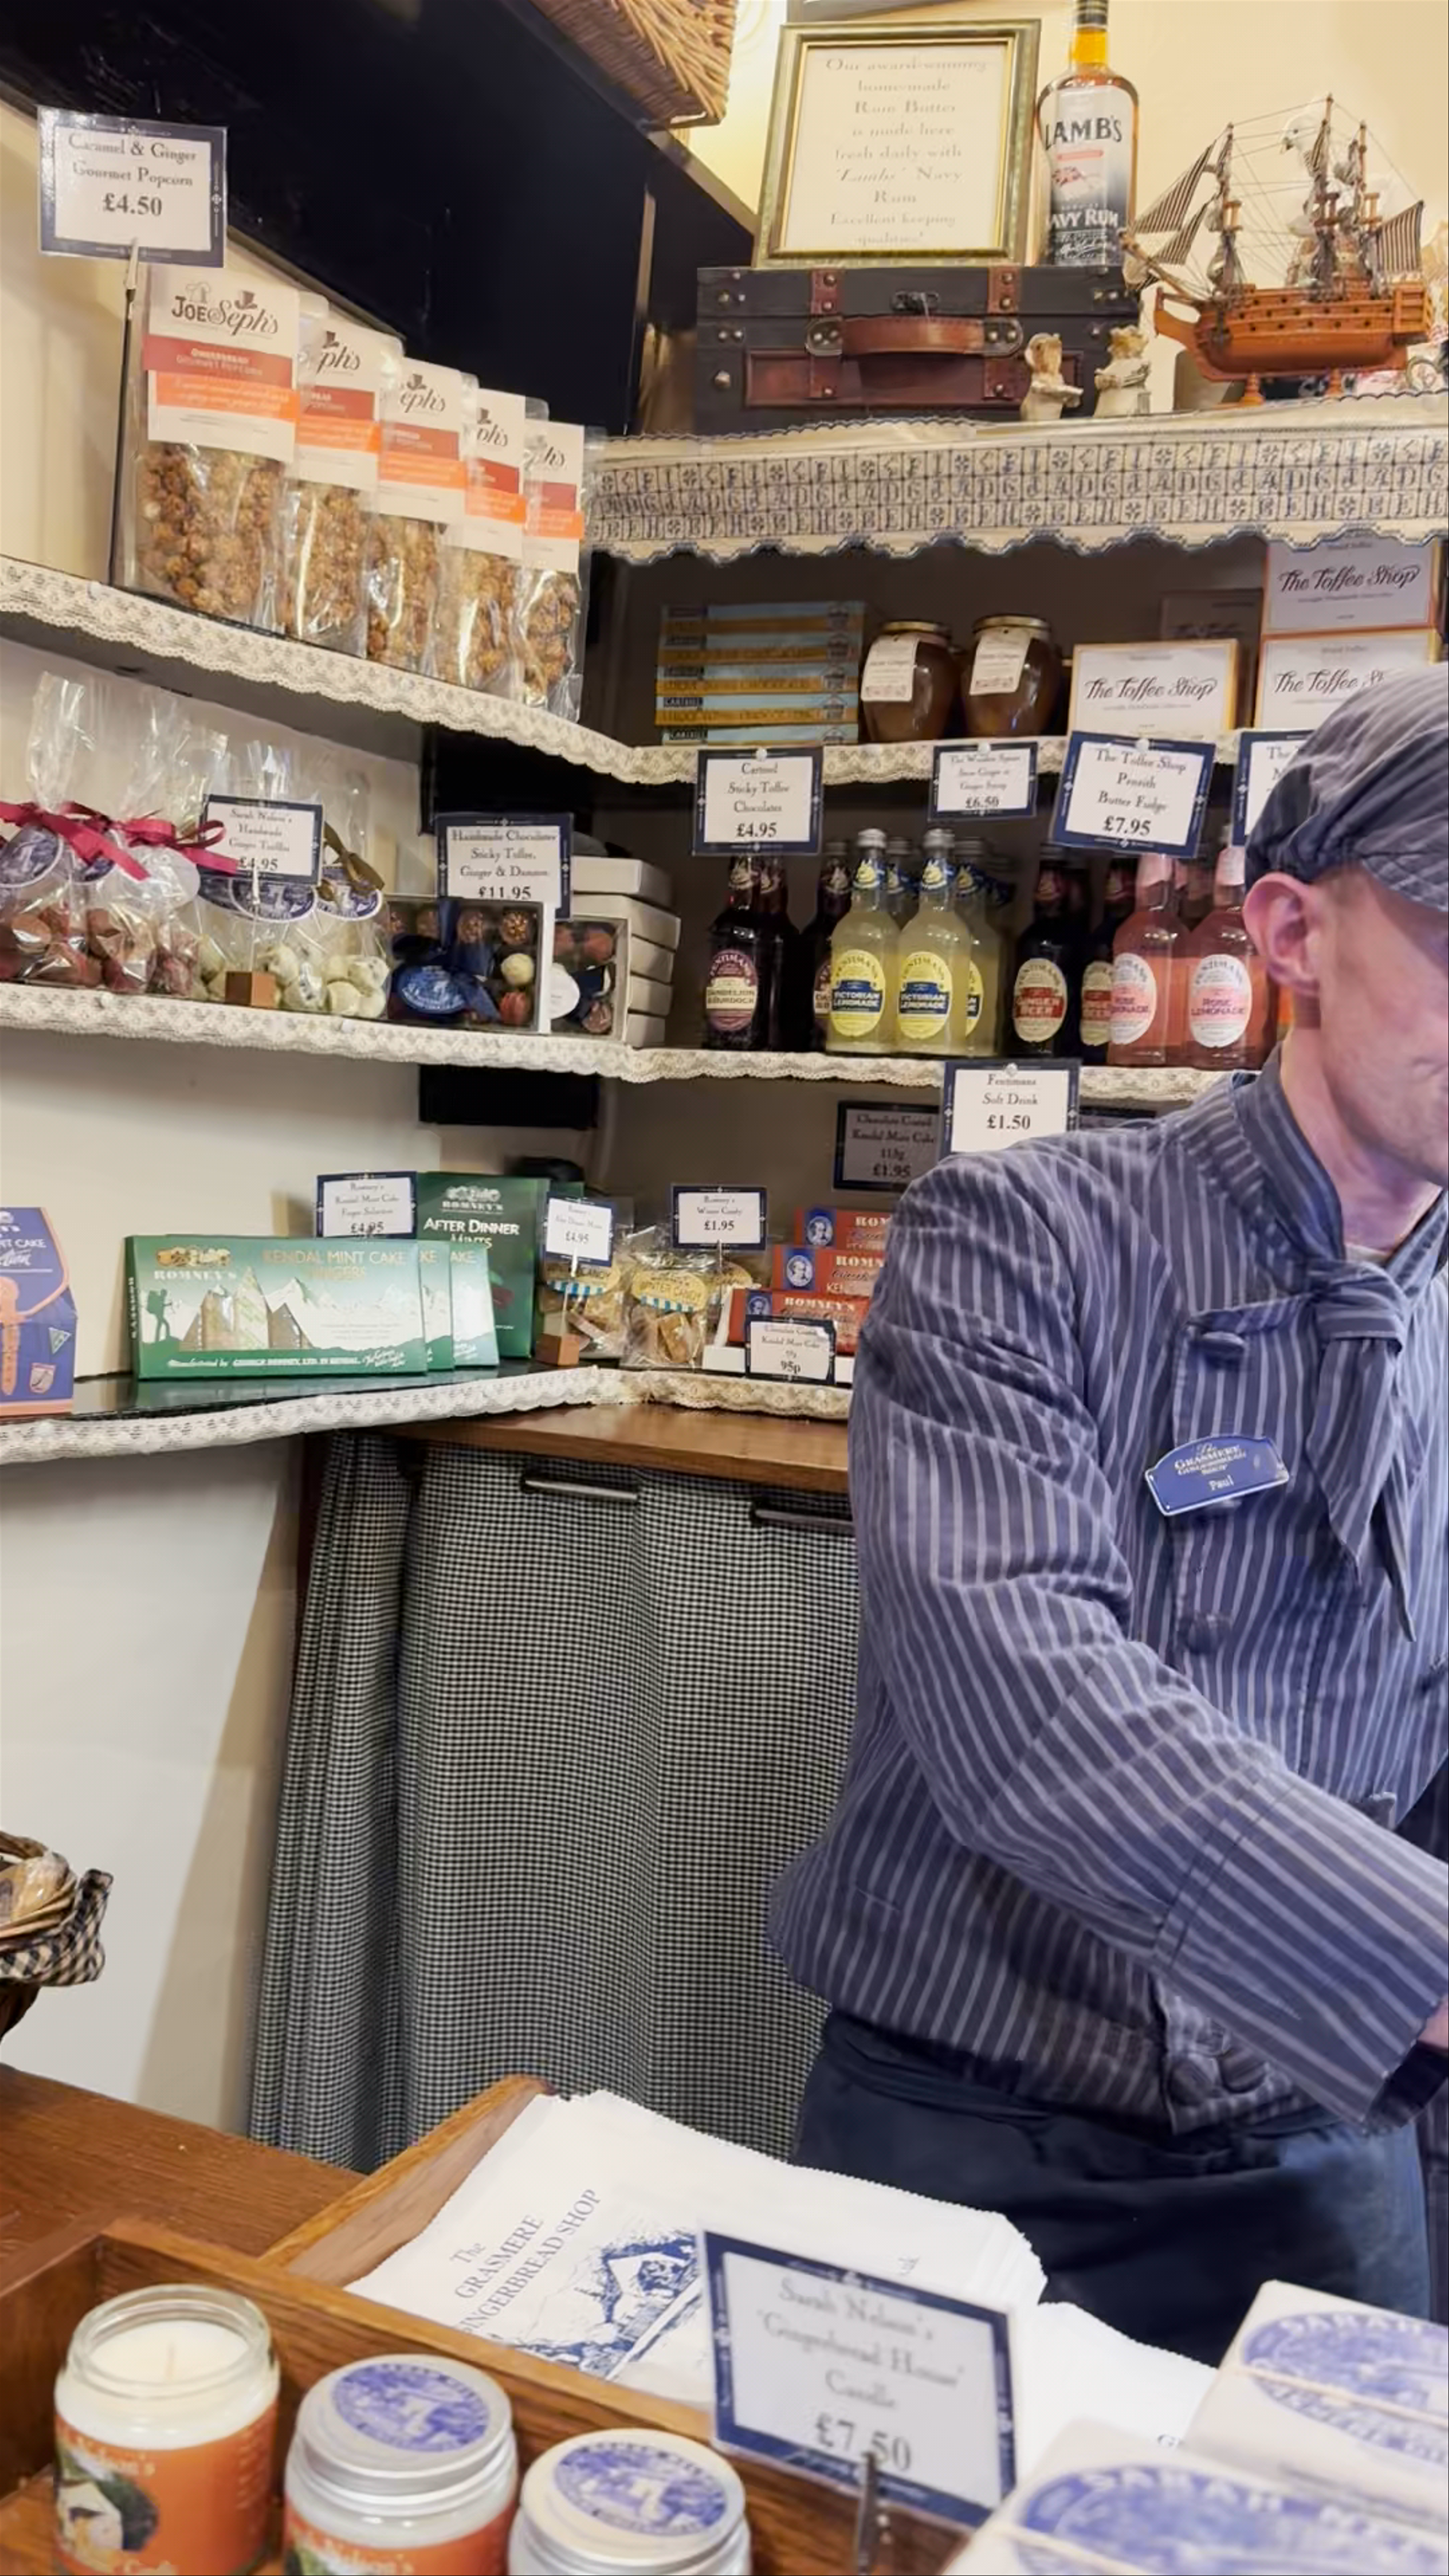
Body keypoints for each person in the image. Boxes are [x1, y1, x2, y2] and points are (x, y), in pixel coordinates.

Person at [772, 668, 1449, 2365]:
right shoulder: (1016, 1238)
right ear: (1293, 934)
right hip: (972, 2135)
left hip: (1330, 2146)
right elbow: (1034, 1710)